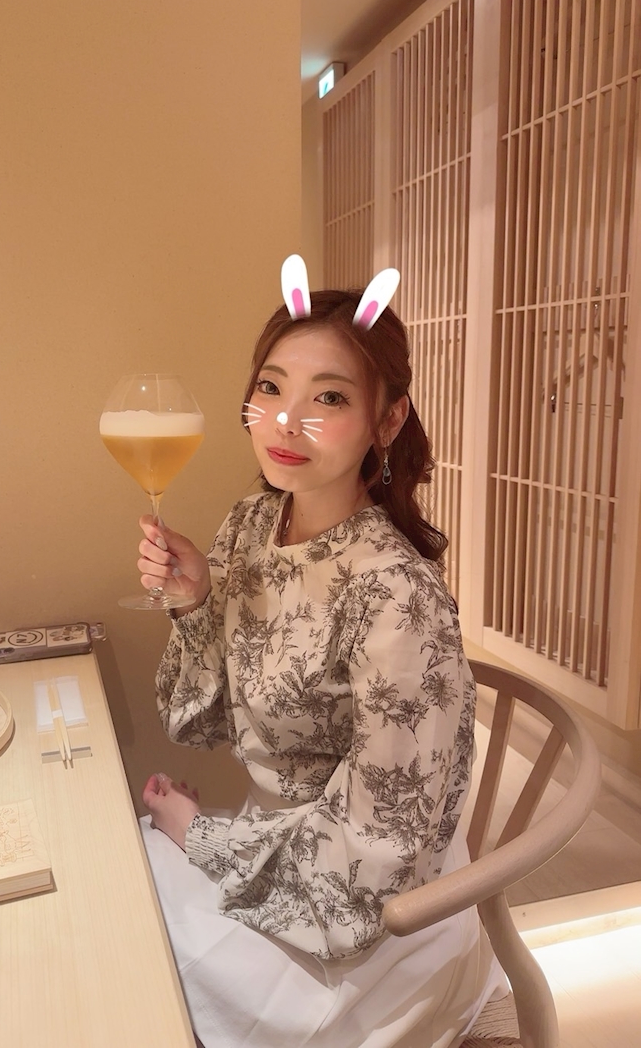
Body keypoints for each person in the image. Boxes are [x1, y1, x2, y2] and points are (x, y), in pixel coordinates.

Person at [135, 286, 505, 1048]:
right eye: (271, 388)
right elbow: (203, 721)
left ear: (387, 420)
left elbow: (380, 855)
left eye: (328, 397)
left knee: (134, 969)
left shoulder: (396, 596)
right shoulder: (253, 523)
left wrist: (199, 835)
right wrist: (197, 601)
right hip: (273, 853)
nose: (285, 420)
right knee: (112, 898)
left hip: (367, 921)